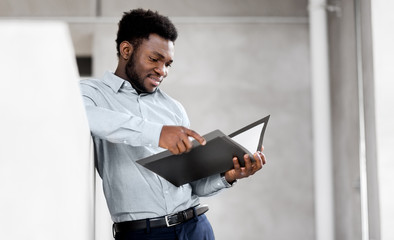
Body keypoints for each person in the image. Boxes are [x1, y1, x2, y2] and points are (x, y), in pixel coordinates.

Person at [80, 8, 266, 240]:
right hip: (142, 235)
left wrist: (228, 176)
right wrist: (156, 133)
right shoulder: (90, 93)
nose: (163, 71)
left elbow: (192, 185)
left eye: (168, 63)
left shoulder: (173, 108)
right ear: (126, 50)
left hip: (196, 227)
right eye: (154, 59)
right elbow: (90, 118)